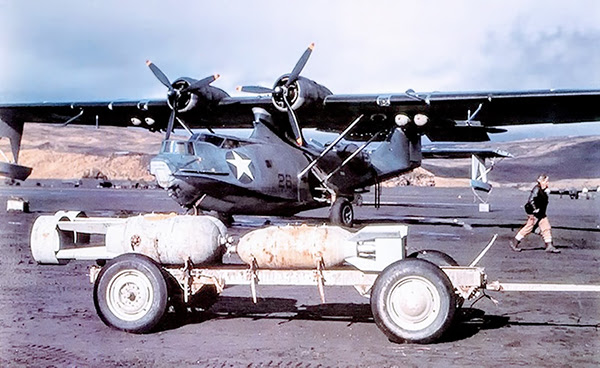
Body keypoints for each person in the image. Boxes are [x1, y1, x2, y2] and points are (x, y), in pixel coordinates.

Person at [510, 174, 560, 253]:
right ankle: (515, 242)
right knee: (528, 227)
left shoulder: (543, 190)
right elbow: (531, 200)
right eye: (546, 181)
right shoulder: (537, 189)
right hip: (535, 214)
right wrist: (535, 209)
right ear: (542, 181)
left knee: (546, 227)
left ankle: (549, 245)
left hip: (541, 213)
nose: (548, 183)